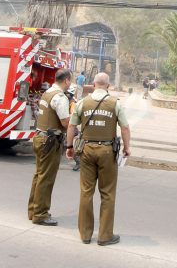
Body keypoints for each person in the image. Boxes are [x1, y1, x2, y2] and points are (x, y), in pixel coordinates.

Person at [66, 72, 131, 246]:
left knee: (86, 192)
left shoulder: (82, 102)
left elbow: (71, 125)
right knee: (107, 193)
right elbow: (125, 127)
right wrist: (127, 148)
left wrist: (69, 147)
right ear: (108, 86)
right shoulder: (115, 104)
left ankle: (85, 234)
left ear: (93, 85)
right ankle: (105, 236)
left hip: (86, 150)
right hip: (107, 152)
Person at [27, 68, 72, 226]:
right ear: (66, 80)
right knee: (46, 178)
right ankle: (41, 214)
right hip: (50, 141)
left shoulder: (47, 93)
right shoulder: (60, 97)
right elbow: (65, 122)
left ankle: (33, 210)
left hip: (40, 137)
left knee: (39, 176)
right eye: (70, 80)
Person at [66, 85, 81, 171]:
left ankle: (78, 161)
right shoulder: (70, 102)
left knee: (71, 145)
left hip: (71, 127)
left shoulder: (73, 104)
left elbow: (72, 117)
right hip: (69, 126)